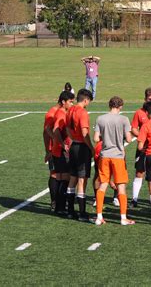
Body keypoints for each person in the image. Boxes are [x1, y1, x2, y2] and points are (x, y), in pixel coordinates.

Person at [94, 96, 135, 226]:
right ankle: (123, 218)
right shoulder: (124, 119)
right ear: (120, 106)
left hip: (104, 155)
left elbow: (96, 139)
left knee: (103, 185)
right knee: (121, 187)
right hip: (118, 156)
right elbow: (129, 140)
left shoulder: (100, 119)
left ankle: (99, 216)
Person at [66, 89, 94, 221]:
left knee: (73, 178)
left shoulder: (70, 110)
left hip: (73, 146)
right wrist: (91, 147)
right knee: (82, 180)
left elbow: (67, 129)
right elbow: (84, 133)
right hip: (82, 148)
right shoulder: (82, 112)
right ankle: (82, 213)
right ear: (85, 99)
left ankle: (70, 211)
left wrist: (73, 138)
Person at [51, 91, 75, 214]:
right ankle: (60, 207)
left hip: (58, 150)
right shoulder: (61, 114)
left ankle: (59, 206)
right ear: (63, 102)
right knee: (64, 177)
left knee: (61, 177)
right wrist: (63, 144)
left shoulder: (62, 112)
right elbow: (55, 130)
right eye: (70, 101)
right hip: (61, 151)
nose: (72, 103)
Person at [43, 96, 61, 211]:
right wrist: (48, 150)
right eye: (70, 101)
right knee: (54, 174)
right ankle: (54, 201)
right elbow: (46, 131)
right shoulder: (52, 112)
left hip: (62, 148)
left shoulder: (63, 111)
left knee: (64, 175)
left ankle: (60, 200)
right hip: (54, 149)